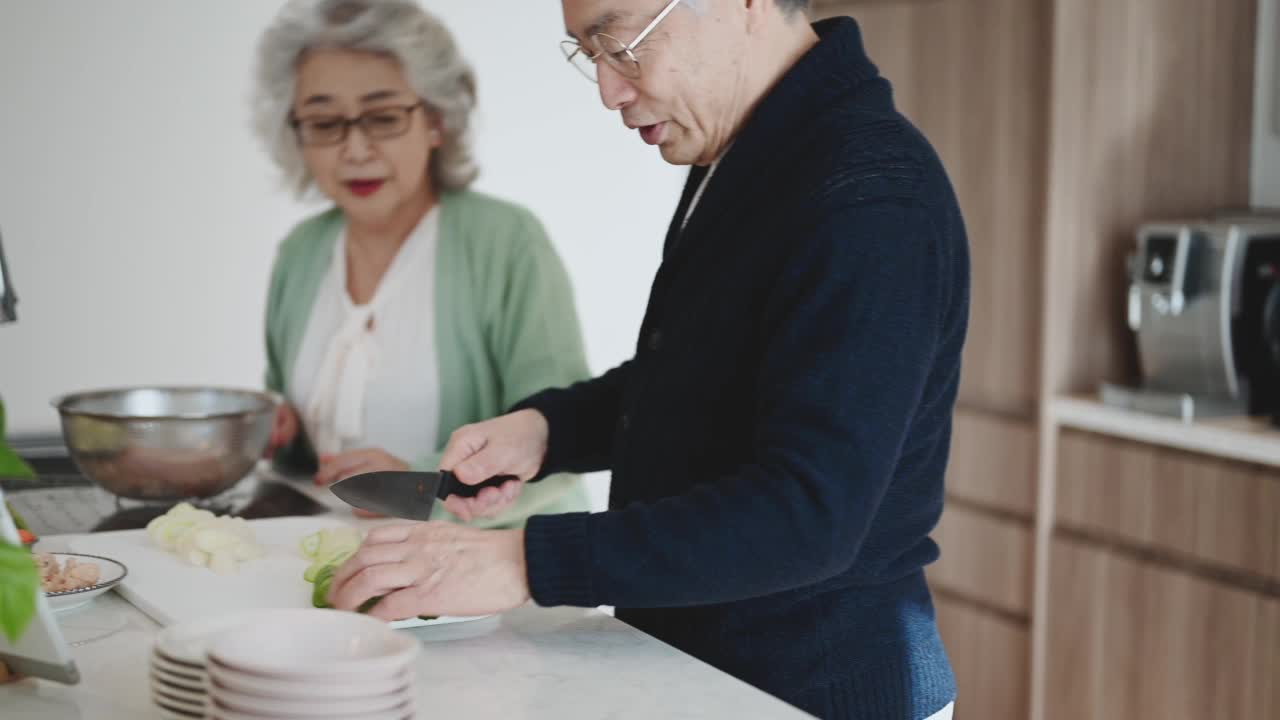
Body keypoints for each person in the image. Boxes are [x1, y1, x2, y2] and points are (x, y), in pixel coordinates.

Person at [329, 1, 969, 718]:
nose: (610, 90)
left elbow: (806, 515)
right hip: (699, 668)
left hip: (811, 689)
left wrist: (522, 562)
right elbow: (707, 373)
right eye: (588, 53)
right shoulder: (746, 153)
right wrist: (549, 430)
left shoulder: (869, 197)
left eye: (621, 42)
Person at [254, 0, 591, 526]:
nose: (356, 149)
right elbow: (305, 464)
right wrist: (287, 431)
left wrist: (419, 481)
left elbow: (559, 444)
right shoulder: (301, 252)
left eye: (384, 117)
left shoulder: (506, 242)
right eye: (324, 122)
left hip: (481, 569)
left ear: (436, 119)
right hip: (328, 554)